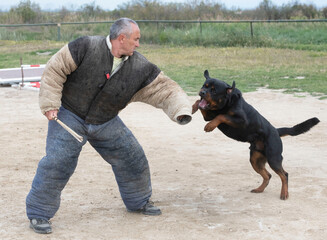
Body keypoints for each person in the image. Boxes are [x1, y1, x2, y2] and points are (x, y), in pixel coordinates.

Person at [26, 18, 192, 234]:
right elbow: (55, 69)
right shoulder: (84, 46)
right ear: (121, 38)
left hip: (105, 120)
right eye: (136, 39)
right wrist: (49, 104)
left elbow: (165, 89)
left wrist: (181, 110)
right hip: (69, 116)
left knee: (132, 156)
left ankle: (139, 201)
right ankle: (39, 214)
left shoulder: (140, 66)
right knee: (57, 162)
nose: (138, 44)